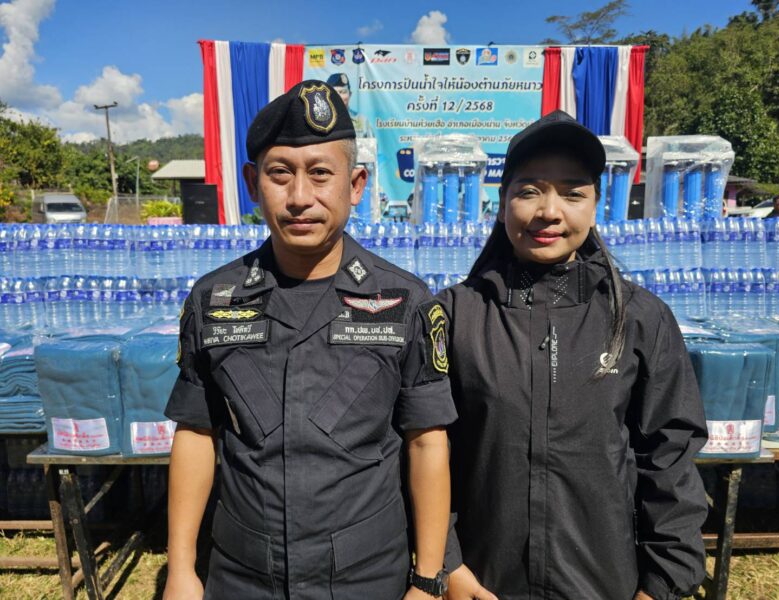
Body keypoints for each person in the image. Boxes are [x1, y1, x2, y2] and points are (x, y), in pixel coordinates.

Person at [163, 80, 456, 600]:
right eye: (280, 174)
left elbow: (427, 442)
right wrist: (182, 569)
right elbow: (196, 432)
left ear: (356, 184)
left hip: (367, 578)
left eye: (321, 173)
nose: (300, 198)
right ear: (253, 183)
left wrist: (428, 580)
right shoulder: (214, 299)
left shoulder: (404, 300)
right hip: (244, 576)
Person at [439, 110, 709, 600]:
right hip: (482, 581)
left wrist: (663, 582)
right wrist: (448, 565)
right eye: (529, 191)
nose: (549, 211)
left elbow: (669, 459)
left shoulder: (640, 318)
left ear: (596, 206)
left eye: (572, 193)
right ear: (501, 204)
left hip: (604, 582)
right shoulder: (456, 315)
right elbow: (424, 450)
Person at [327, 73, 374, 138]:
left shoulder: (362, 121)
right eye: (334, 92)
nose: (338, 96)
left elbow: (371, 144)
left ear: (350, 94)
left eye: (342, 92)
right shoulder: (319, 122)